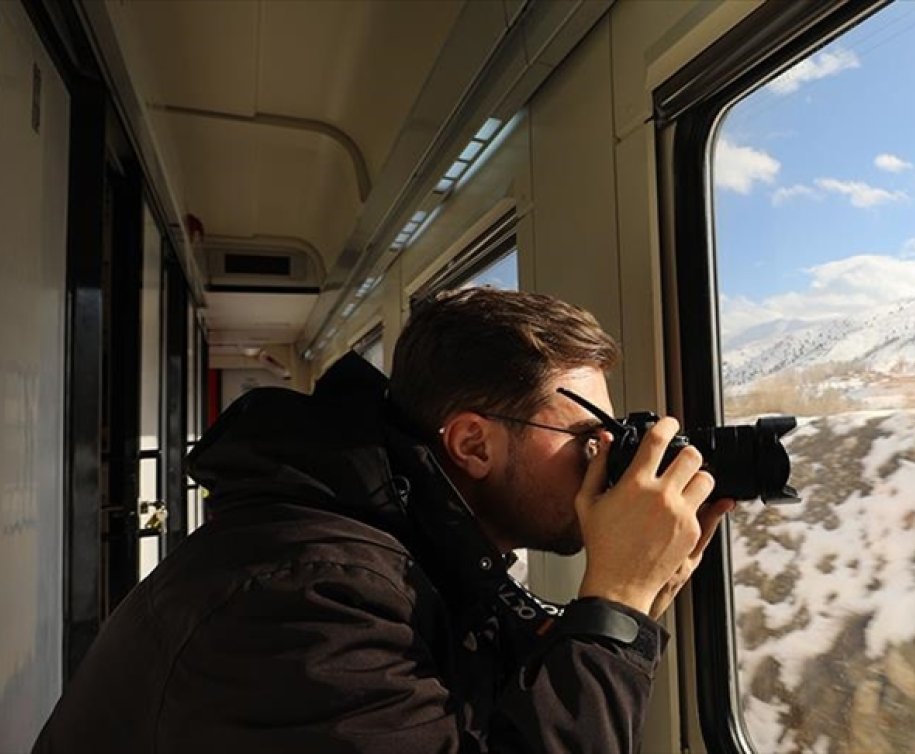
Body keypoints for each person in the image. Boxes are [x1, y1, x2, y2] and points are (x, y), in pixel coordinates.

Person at [34, 287, 735, 753]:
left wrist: (633, 600)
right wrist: (614, 603)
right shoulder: (304, 594)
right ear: (471, 444)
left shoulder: (407, 547)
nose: (604, 459)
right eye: (588, 437)